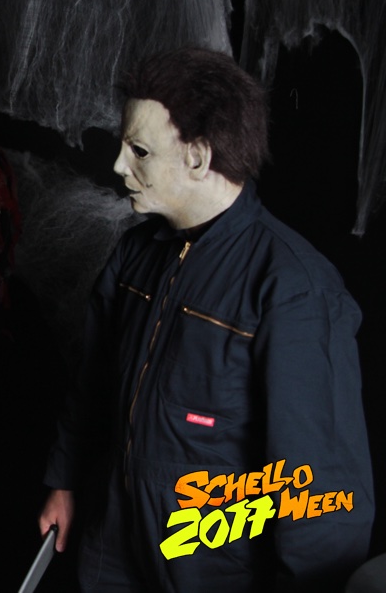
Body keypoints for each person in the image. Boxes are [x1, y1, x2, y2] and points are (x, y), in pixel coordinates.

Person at [37, 47, 374, 591]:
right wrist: (65, 481)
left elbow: (322, 489)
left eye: (139, 150)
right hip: (115, 543)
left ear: (197, 157)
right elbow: (92, 381)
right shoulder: (136, 254)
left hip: (213, 566)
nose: (119, 165)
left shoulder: (294, 289)